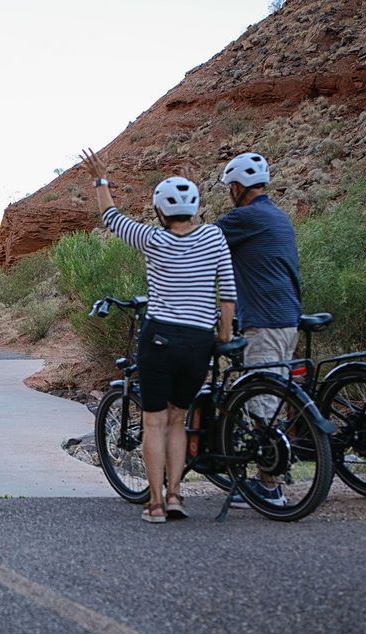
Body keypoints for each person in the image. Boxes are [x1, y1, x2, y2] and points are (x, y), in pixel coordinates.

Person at [80, 148, 236, 524]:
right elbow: (228, 292)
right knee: (177, 420)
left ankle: (154, 503)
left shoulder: (152, 239)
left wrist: (101, 179)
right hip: (199, 342)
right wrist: (224, 335)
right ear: (196, 209)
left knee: (153, 421)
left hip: (160, 339)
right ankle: (177, 495)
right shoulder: (215, 238)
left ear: (160, 211)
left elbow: (110, 217)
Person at [215, 152, 302, 509]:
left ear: (237, 187)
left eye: (229, 188)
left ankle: (270, 488)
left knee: (263, 404)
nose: (229, 194)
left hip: (264, 321)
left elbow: (202, 241)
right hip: (288, 317)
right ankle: (273, 470)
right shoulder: (278, 216)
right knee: (272, 394)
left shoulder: (244, 218)